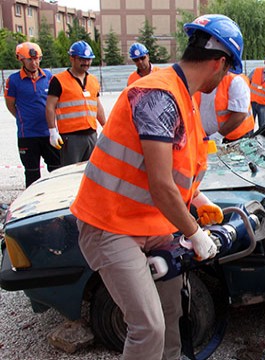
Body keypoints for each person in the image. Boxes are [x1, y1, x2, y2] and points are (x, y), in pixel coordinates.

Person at [69, 14, 244, 360]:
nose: (226, 77)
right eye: (227, 70)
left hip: (149, 224)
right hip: (111, 226)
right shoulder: (158, 95)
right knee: (148, 326)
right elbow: (161, 186)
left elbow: (177, 175)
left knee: (171, 314)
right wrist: (195, 233)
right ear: (219, 63)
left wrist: (199, 200)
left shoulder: (184, 97)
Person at [4, 42, 61, 187]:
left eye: (37, 59)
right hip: (27, 135)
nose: (34, 63)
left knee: (56, 170)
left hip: (48, 133)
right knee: (32, 173)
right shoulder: (14, 80)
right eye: (30, 59)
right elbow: (10, 105)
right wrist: (23, 118)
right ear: (21, 59)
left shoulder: (48, 76)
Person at [45, 40, 106, 166]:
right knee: (71, 174)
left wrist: (106, 126)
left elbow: (97, 106)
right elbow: (50, 107)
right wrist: (52, 131)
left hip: (91, 135)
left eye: (89, 59)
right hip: (70, 137)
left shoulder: (93, 80)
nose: (86, 63)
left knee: (91, 172)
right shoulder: (58, 80)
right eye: (82, 59)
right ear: (72, 58)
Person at [195, 71, 255, 141]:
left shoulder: (235, 81)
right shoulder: (200, 81)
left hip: (235, 137)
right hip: (207, 136)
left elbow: (240, 113)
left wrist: (218, 135)